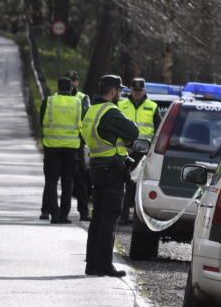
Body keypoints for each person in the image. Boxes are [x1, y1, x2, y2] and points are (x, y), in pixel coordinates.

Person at [80, 74, 139, 277]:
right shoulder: (110, 112)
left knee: (97, 217)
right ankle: (104, 265)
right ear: (113, 91)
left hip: (97, 167)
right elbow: (133, 132)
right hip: (112, 170)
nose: (120, 94)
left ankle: (92, 264)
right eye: (119, 90)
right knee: (109, 219)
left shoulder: (91, 110)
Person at [117, 77, 161, 224]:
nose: (137, 93)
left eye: (139, 90)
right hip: (124, 150)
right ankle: (122, 216)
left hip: (143, 152)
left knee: (137, 186)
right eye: (134, 90)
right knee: (123, 184)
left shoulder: (153, 106)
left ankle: (137, 217)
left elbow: (159, 130)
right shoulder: (121, 104)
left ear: (144, 90)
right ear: (130, 90)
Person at [39, 77, 83, 223]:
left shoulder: (49, 101)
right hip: (71, 149)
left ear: (57, 88)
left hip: (52, 146)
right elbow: (81, 124)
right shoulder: (78, 103)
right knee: (67, 183)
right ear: (71, 89)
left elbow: (41, 121)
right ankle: (64, 215)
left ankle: (54, 214)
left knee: (51, 182)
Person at [68, 70, 92, 221]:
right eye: (69, 80)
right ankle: (53, 211)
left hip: (78, 144)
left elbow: (86, 116)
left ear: (77, 82)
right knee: (64, 181)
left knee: (82, 181)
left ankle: (83, 212)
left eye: (74, 81)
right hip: (62, 144)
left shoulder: (83, 97)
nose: (72, 83)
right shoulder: (57, 97)